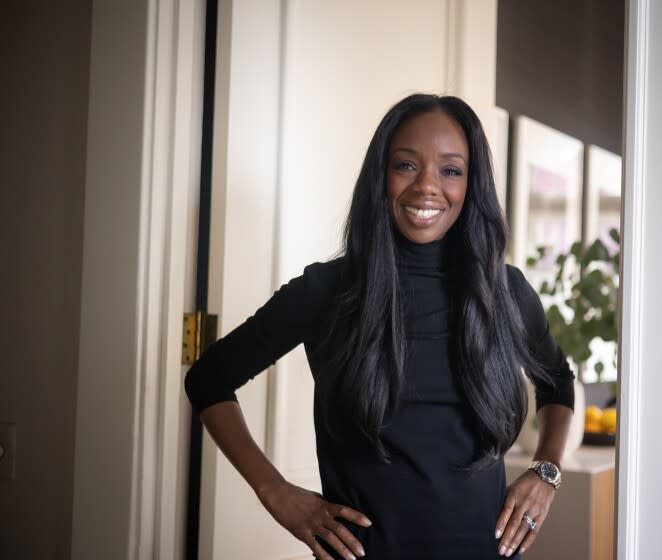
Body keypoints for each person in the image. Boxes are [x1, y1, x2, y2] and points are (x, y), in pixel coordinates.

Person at [184, 93, 575, 559]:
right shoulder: (328, 290)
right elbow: (209, 378)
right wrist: (276, 493)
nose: (427, 186)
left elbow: (557, 383)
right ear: (381, 176)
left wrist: (546, 471)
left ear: (472, 185)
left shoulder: (505, 293)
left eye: (450, 170)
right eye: (406, 166)